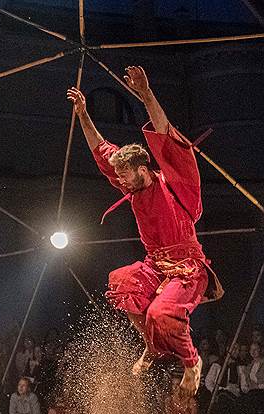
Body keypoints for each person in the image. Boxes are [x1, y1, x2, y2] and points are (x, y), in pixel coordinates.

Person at [68, 66, 223, 397]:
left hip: (187, 266)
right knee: (122, 281)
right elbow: (101, 150)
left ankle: (192, 363)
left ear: (143, 169)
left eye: (125, 175)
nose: (120, 181)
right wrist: (83, 115)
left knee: (160, 312)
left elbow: (165, 135)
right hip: (155, 264)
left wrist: (146, 94)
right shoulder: (132, 184)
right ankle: (152, 347)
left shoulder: (176, 184)